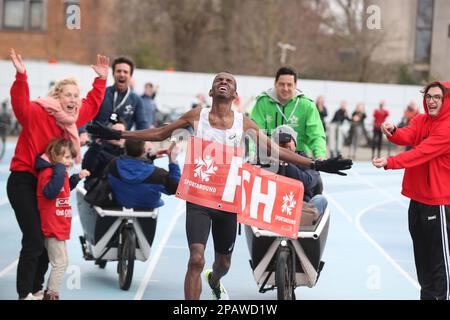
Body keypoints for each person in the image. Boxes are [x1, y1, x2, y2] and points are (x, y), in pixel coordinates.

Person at [87, 72, 352, 300]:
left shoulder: (244, 123)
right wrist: (117, 134)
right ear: (212, 91)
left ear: (235, 94)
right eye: (219, 80)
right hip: (199, 197)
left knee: (223, 262)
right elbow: (159, 133)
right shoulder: (196, 116)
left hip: (228, 200)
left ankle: (214, 280)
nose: (223, 82)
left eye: (229, 80)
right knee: (196, 258)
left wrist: (317, 164)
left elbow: (275, 151)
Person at [7, 48, 109, 300]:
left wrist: (100, 80)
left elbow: (92, 105)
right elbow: (20, 106)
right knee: (33, 238)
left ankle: (36, 289)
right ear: (57, 96)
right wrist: (21, 77)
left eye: (76, 95)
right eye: (68, 94)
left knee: (45, 238)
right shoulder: (38, 111)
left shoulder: (73, 119)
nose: (74, 99)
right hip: (24, 179)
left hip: (47, 183)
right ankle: (24, 294)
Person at [372, 81, 450, 300]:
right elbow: (408, 135)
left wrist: (390, 162)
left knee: (440, 267)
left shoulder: (447, 127)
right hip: (417, 201)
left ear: (446, 101)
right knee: (423, 265)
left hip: (439, 203)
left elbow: (421, 153)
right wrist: (393, 131)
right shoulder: (421, 119)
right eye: (428, 96)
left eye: (437, 97)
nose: (431, 101)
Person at [35, 139, 90, 300]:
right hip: (52, 227)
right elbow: (50, 192)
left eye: (70, 158)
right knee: (60, 264)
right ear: (54, 156)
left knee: (63, 262)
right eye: (66, 157)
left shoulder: (60, 174)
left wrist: (76, 177)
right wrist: (59, 167)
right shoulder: (50, 173)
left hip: (60, 226)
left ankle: (50, 293)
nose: (69, 161)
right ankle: (51, 294)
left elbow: (63, 189)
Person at [250, 67, 327, 159]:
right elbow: (254, 132)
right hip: (269, 155)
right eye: (282, 84)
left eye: (289, 85)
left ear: (295, 85)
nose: (285, 88)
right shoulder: (263, 102)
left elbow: (316, 134)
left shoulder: (307, 105)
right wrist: (251, 155)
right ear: (275, 83)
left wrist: (320, 155)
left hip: (299, 157)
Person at [79, 56, 148, 136]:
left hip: (121, 144)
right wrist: (82, 132)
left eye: (125, 72)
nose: (122, 74)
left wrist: (146, 141)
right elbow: (85, 112)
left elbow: (142, 124)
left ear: (130, 76)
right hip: (98, 143)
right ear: (113, 74)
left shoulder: (136, 100)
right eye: (118, 71)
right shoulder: (102, 93)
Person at [107, 140, 180, 209]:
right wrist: (173, 161)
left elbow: (133, 166)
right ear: (145, 150)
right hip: (148, 211)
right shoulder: (157, 174)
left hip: (119, 206)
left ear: (125, 148)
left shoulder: (114, 164)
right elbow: (176, 188)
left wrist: (148, 158)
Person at [272, 125, 327, 215]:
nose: (284, 144)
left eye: (287, 140)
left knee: (320, 200)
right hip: (274, 205)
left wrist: (286, 164)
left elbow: (308, 183)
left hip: (301, 207)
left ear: (295, 142)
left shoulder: (307, 161)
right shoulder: (269, 161)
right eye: (279, 142)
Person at [82, 120, 126, 189]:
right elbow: (88, 171)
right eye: (115, 132)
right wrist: (95, 148)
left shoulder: (127, 152)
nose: (118, 136)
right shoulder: (96, 148)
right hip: (97, 190)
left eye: (122, 133)